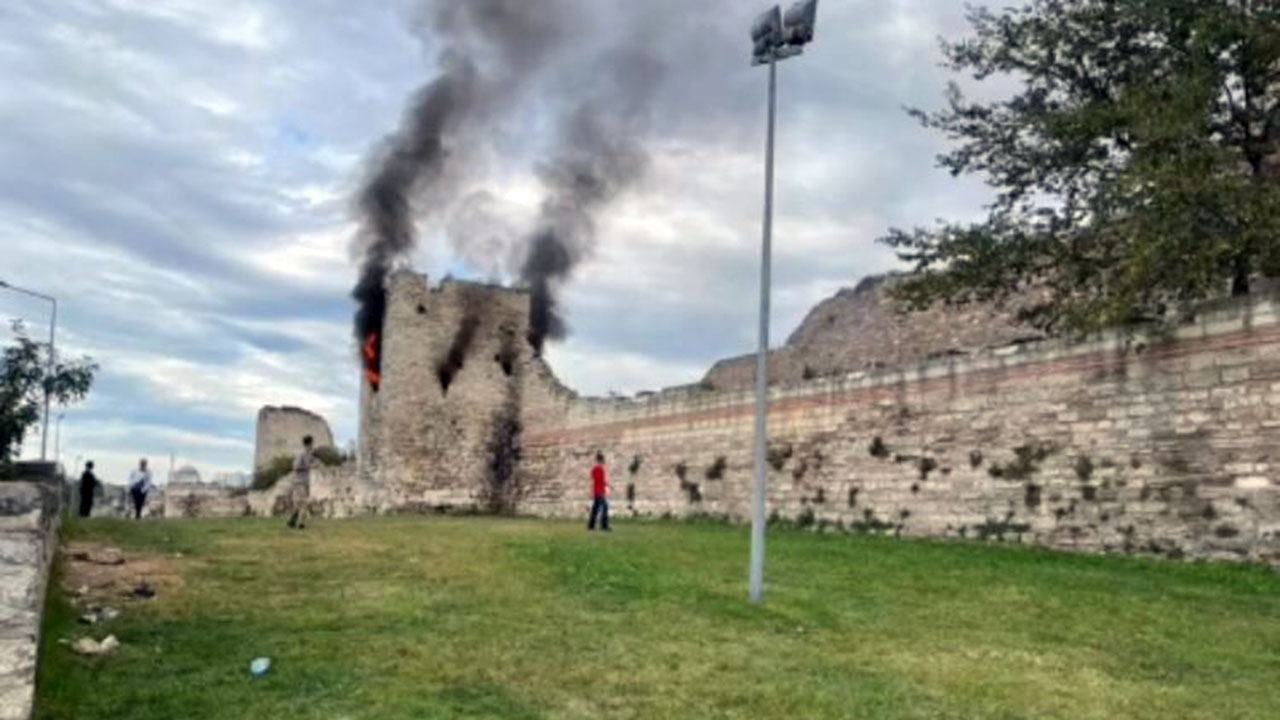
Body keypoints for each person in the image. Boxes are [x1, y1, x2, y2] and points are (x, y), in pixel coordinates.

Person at [287, 435, 315, 529]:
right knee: (304, 502)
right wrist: (308, 467)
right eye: (312, 443)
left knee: (299, 504)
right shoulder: (301, 454)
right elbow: (295, 467)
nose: (313, 445)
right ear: (309, 444)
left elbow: (310, 463)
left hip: (306, 482)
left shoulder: (308, 455)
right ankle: (300, 523)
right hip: (299, 482)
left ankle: (291, 520)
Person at [587, 451, 610, 532]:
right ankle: (604, 525)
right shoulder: (599, 469)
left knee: (595, 508)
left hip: (597, 491)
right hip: (599, 491)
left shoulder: (595, 469)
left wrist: (607, 485)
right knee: (605, 506)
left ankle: (591, 525)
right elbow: (596, 481)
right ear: (601, 460)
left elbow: (596, 481)